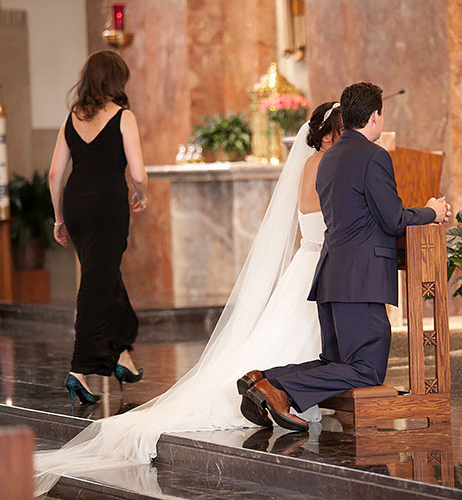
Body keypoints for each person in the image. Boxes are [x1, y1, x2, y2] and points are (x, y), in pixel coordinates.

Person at [34, 102, 343, 496]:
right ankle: (290, 387)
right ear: (329, 132)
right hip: (315, 260)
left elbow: (55, 171)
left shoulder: (309, 163)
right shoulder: (326, 165)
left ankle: (290, 386)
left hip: (306, 261)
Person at [237, 82, 452, 431]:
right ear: (374, 116)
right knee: (365, 369)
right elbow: (392, 218)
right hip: (361, 280)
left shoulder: (328, 158)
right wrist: (431, 210)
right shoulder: (374, 155)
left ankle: (262, 379)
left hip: (332, 276)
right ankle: (277, 388)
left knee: (336, 361)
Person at [48, 50, 147, 404]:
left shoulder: (70, 118)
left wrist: (59, 219)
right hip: (107, 206)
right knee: (95, 283)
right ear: (116, 80)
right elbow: (137, 173)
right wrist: (141, 195)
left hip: (76, 205)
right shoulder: (123, 116)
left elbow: (55, 173)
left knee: (102, 275)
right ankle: (79, 368)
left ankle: (121, 355)